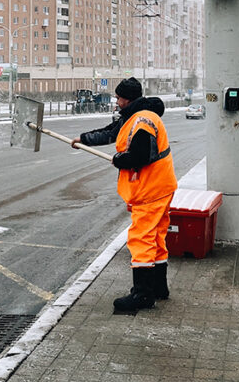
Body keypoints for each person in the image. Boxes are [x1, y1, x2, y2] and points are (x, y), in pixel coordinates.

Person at [72, 77, 177, 314]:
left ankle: (142, 295)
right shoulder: (137, 116)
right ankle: (159, 287)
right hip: (161, 187)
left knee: (141, 239)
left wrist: (120, 160)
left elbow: (140, 156)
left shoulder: (141, 121)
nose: (116, 102)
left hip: (150, 191)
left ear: (127, 99)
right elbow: (112, 133)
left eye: (118, 98)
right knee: (157, 238)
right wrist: (83, 139)